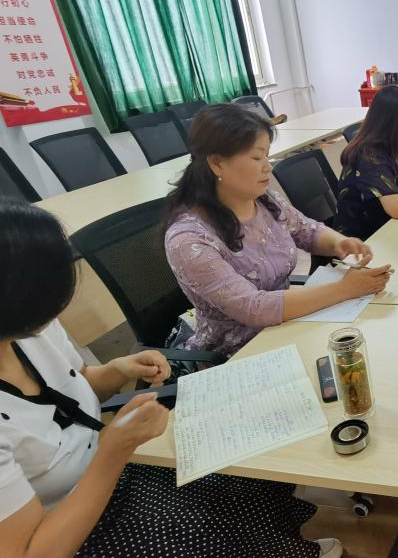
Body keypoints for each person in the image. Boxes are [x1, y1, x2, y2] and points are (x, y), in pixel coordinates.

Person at [0, 198, 344, 558]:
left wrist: (118, 370)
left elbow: (74, 383)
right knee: (197, 524)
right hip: (73, 525)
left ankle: (283, 545)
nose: (57, 310)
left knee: (243, 465)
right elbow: (30, 552)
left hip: (113, 467)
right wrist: (113, 451)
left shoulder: (30, 330)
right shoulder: (190, 236)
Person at [164, 105, 391, 359]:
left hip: (286, 327)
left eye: (267, 156)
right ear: (216, 163)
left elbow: (308, 230)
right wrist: (344, 289)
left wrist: (339, 243)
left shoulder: (263, 201)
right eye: (256, 158)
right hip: (237, 354)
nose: (267, 167)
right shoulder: (189, 240)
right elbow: (254, 308)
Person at [337, 86, 398, 240]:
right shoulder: (368, 157)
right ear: (392, 123)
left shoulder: (397, 148)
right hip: (361, 243)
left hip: (387, 230)